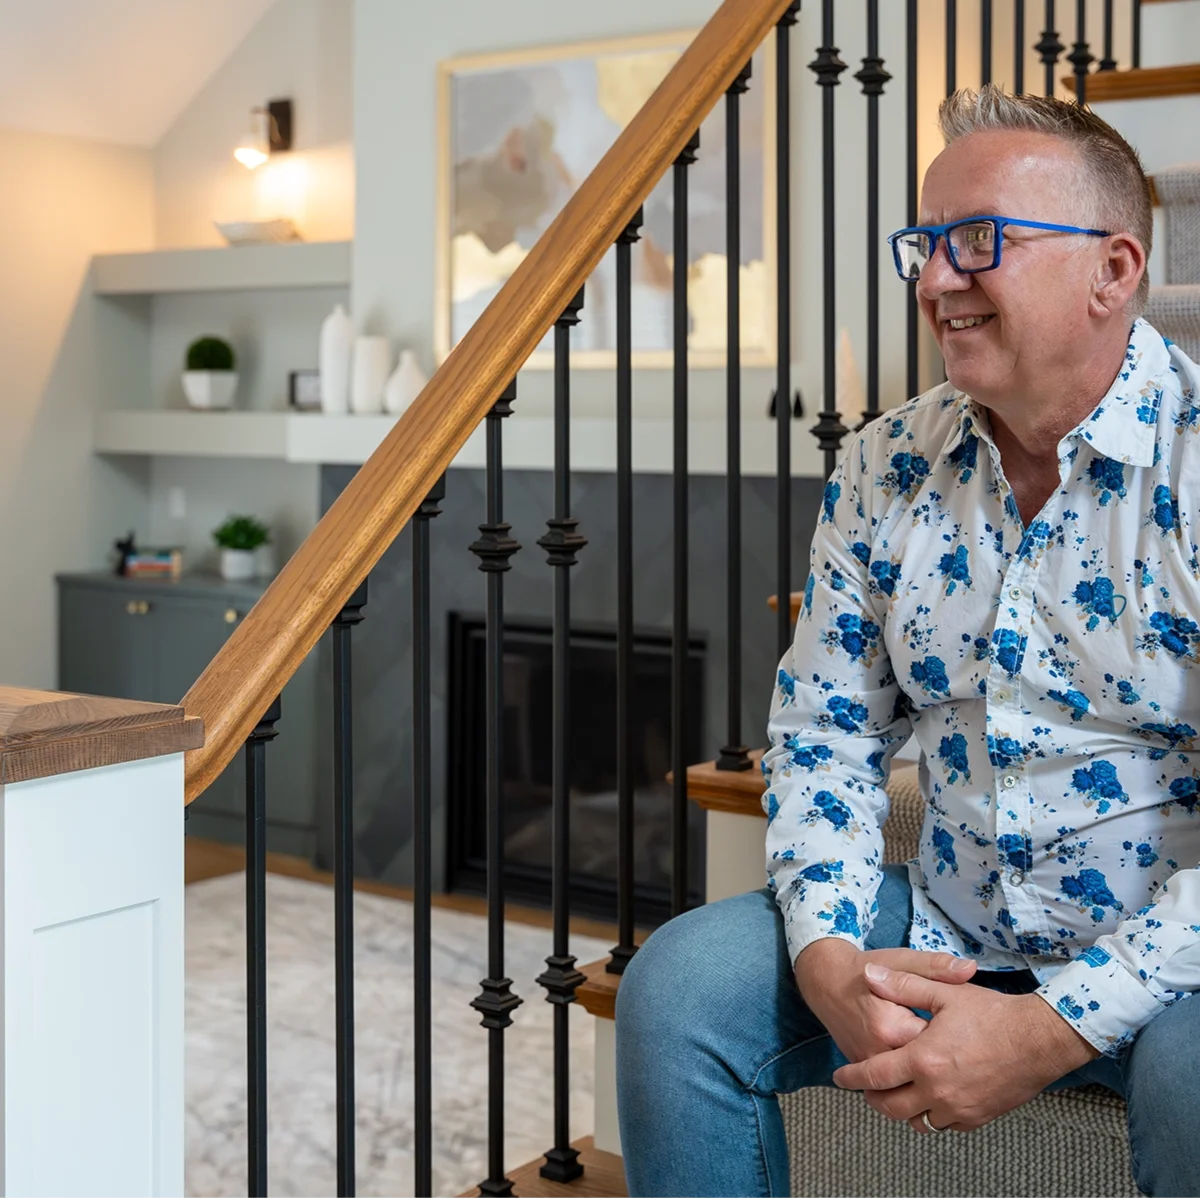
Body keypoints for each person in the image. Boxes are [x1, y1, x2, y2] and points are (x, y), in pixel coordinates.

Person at [615, 83, 1200, 1200]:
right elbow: (824, 736)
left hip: (1168, 966)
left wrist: (1050, 1029)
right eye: (925, 245)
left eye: (978, 242)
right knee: (680, 988)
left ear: (1114, 272)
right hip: (946, 915)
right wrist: (829, 954)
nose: (934, 280)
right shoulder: (885, 464)